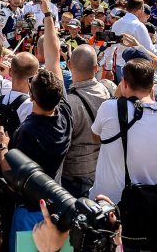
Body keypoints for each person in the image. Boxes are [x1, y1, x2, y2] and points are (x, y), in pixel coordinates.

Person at [0, 0, 72, 246]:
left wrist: (1, 146)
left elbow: (12, 175)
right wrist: (48, 15)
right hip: (58, 211)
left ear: (32, 96)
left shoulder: (26, 132)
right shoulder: (65, 115)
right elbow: (54, 54)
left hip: (29, 212)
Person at [90, 57, 157, 203]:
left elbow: (96, 137)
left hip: (109, 201)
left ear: (124, 83)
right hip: (149, 203)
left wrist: (118, 94)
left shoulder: (109, 108)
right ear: (152, 85)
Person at [62, 45, 113, 198]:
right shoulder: (108, 90)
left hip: (74, 177)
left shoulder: (68, 103)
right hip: (104, 173)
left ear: (69, 65)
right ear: (96, 67)